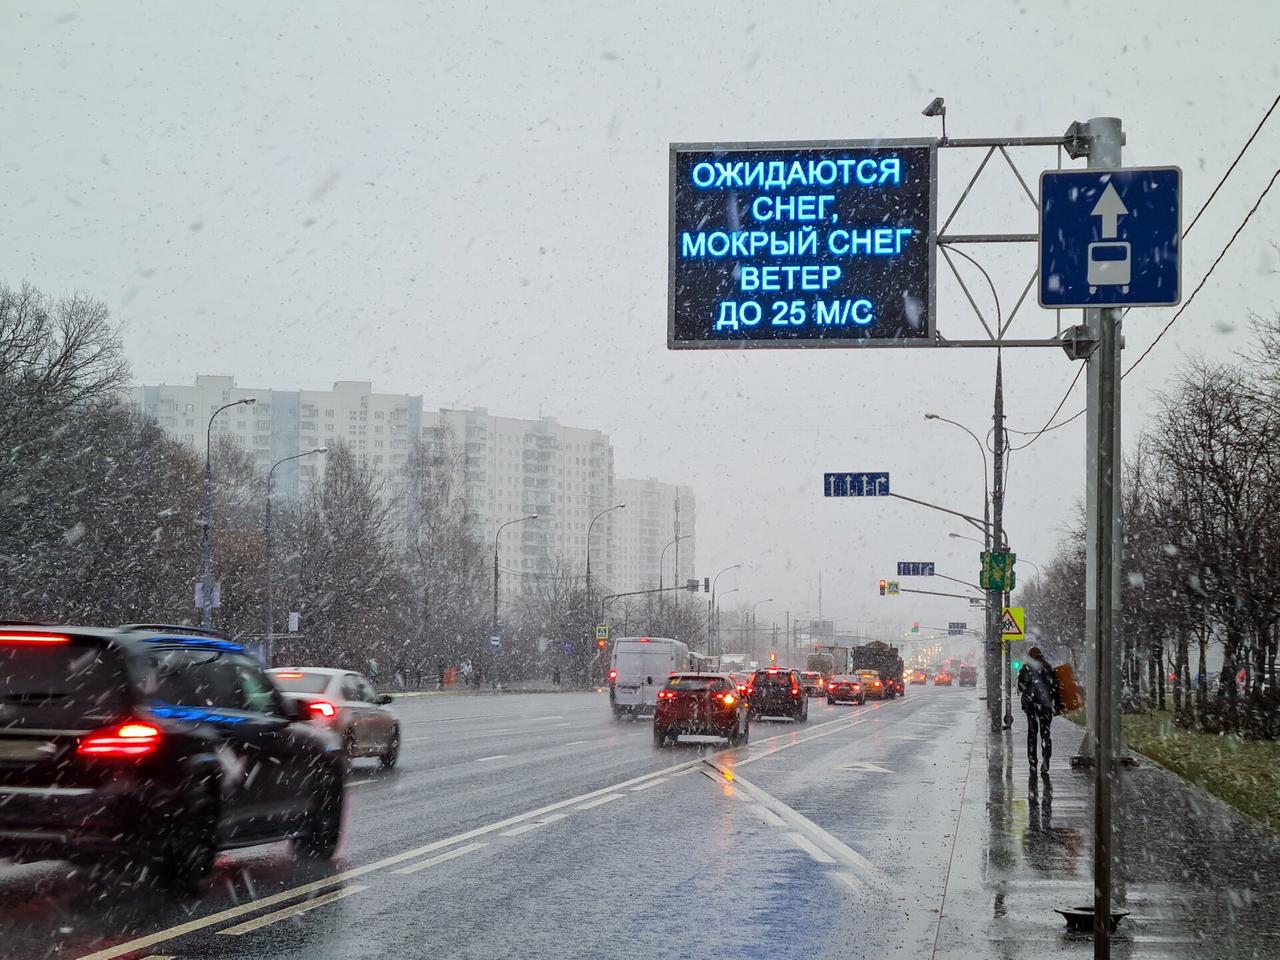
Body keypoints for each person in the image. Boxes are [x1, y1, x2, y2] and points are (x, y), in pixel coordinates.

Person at [1017, 646, 1064, 774]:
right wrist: (1057, 704)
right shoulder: (1048, 668)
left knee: (1032, 734)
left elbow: (1021, 686)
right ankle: (1046, 758)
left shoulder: (1026, 669)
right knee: (1046, 733)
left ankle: (1033, 762)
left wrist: (1028, 691)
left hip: (1032, 705)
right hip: (1046, 706)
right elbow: (1056, 688)